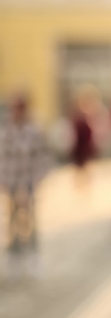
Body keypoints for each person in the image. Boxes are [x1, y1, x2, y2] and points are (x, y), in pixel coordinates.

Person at [0, 94, 53, 278]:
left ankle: (33, 254)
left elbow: (44, 158)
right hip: (11, 182)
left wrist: (37, 179)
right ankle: (13, 255)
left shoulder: (34, 131)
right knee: (12, 219)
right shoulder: (6, 132)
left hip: (28, 182)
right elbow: (2, 159)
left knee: (31, 220)